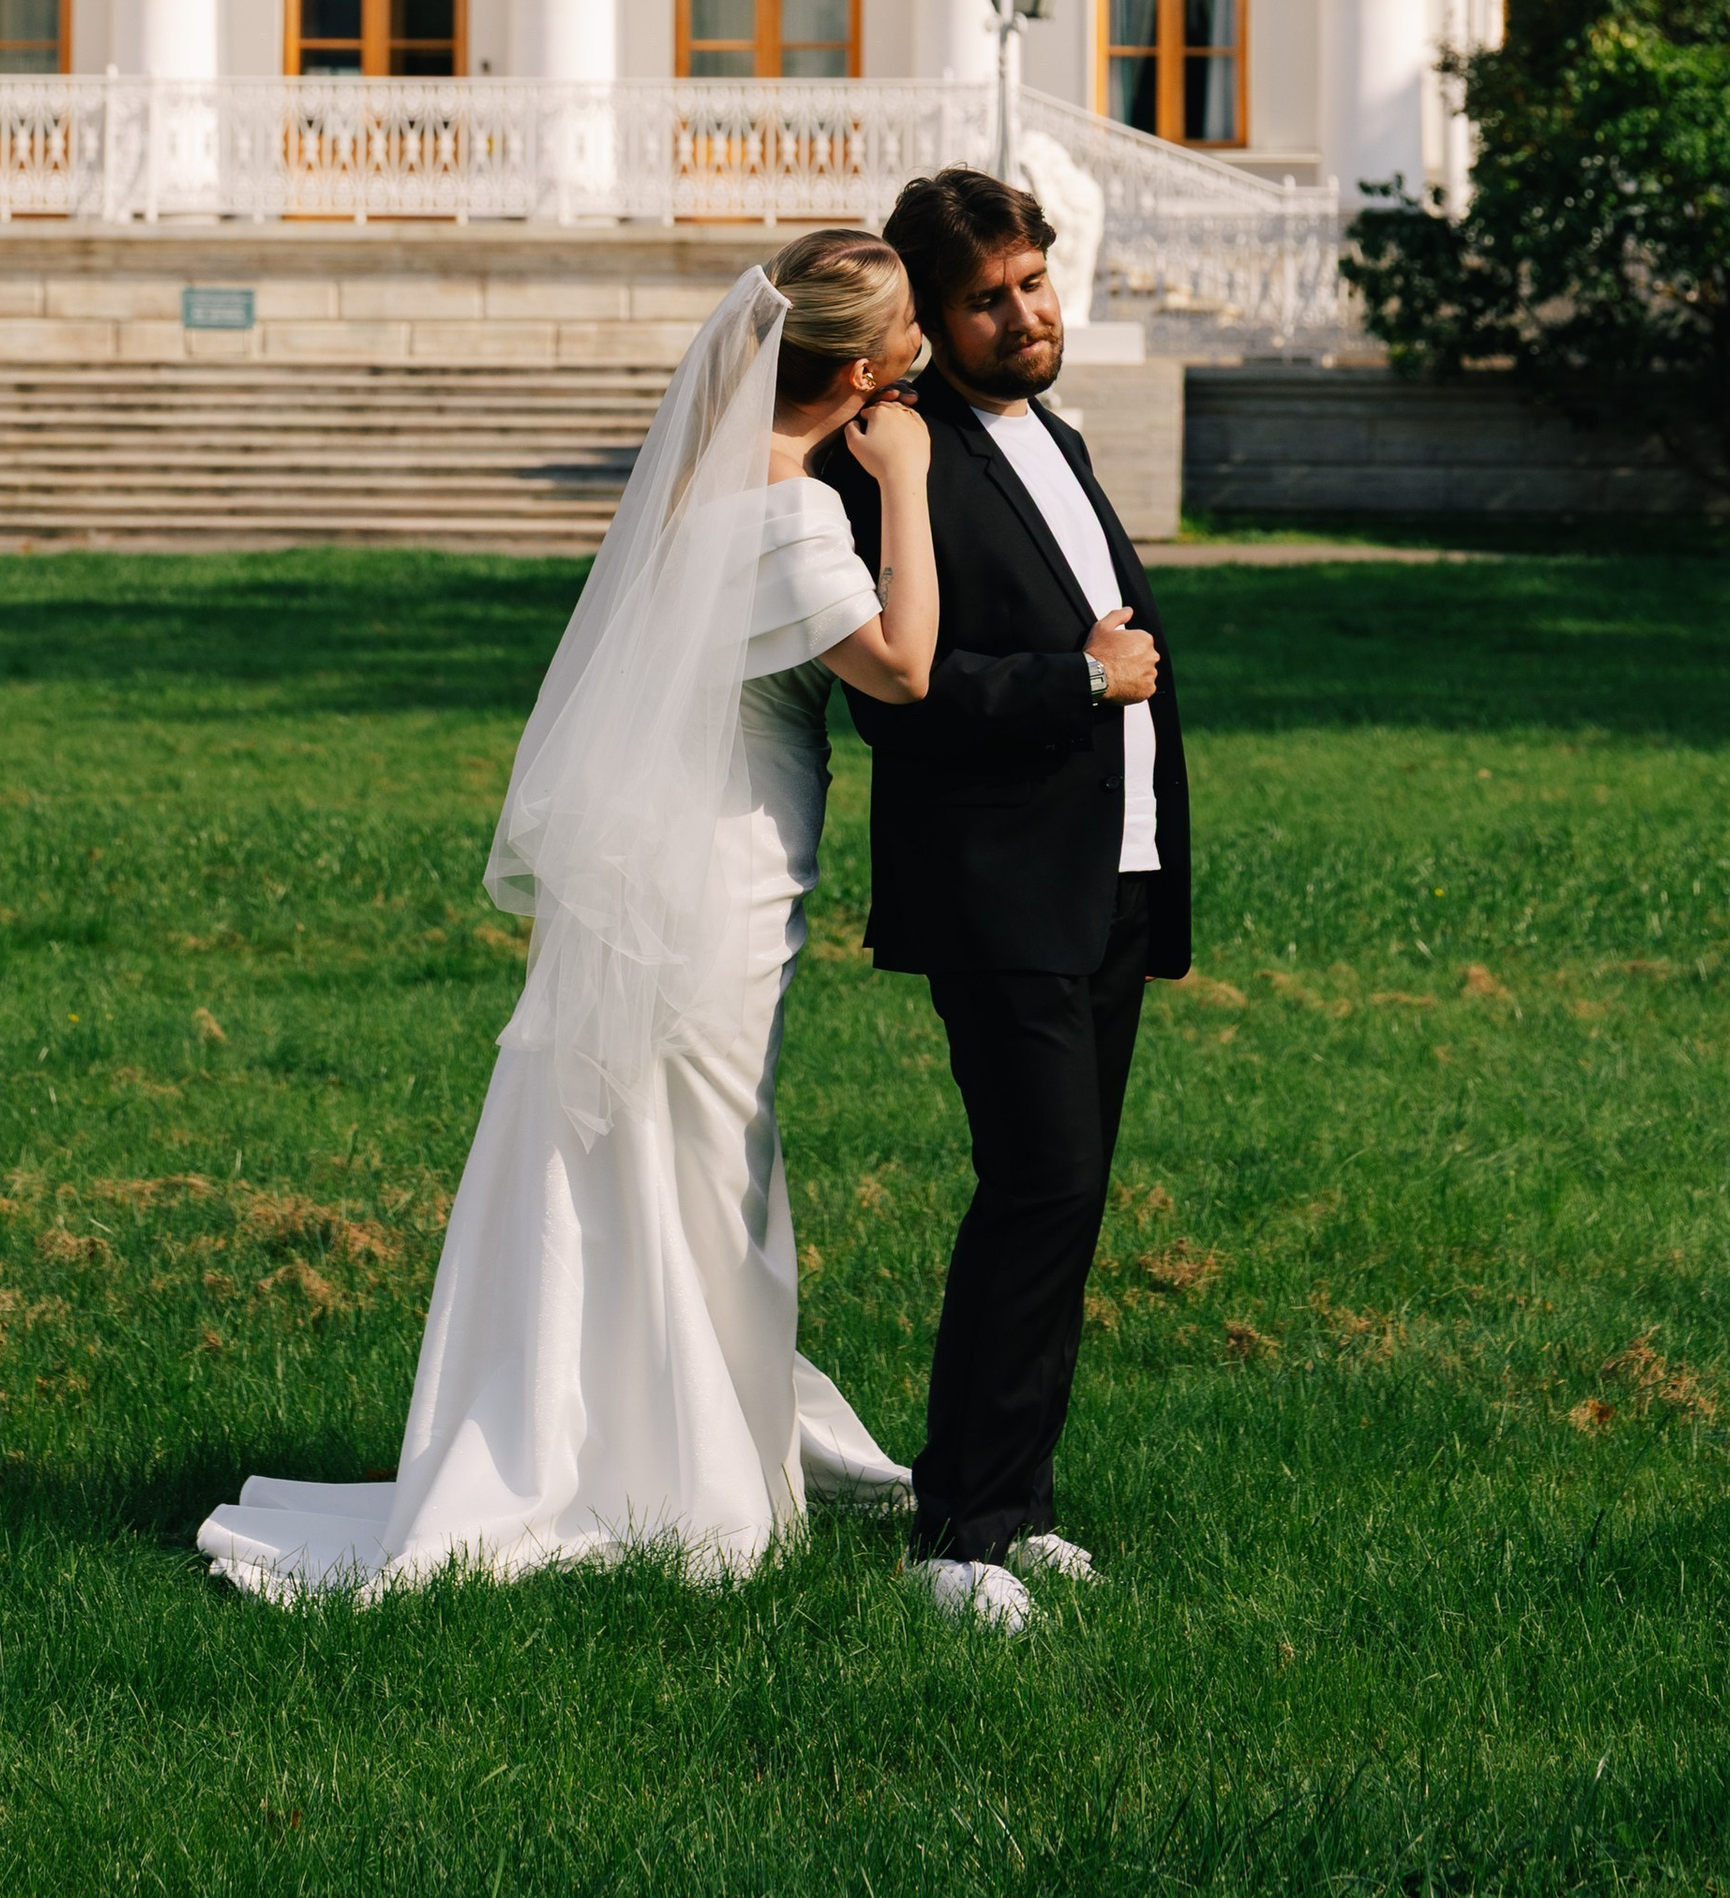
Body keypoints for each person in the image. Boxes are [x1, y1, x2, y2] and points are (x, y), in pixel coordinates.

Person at [199, 229, 940, 1597]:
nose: (921, 368)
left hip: (697, 849)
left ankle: (665, 1429)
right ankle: (684, 1469)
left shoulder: (711, 493)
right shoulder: (789, 506)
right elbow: (898, 667)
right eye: (909, 347)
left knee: (685, 1150)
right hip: (722, 864)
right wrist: (907, 486)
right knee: (710, 1159)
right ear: (860, 374)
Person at [822, 165, 1190, 1634]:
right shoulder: (893, 462)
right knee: (1037, 1188)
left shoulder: (1063, 434)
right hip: (998, 889)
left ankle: (1017, 1503)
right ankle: (955, 1534)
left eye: (1032, 282)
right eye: (988, 299)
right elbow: (901, 703)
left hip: (1112, 873)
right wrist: (1077, 680)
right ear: (932, 316)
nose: (1026, 314)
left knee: (1073, 1198)